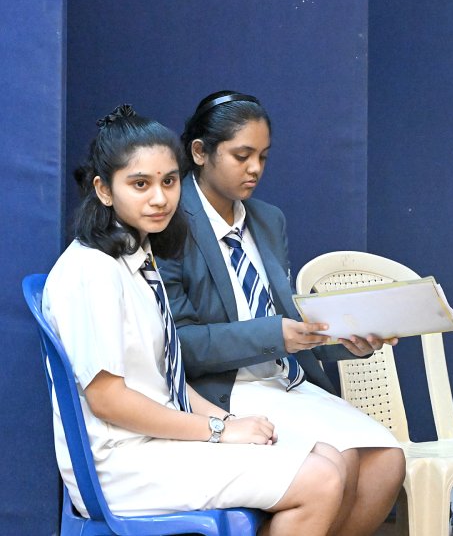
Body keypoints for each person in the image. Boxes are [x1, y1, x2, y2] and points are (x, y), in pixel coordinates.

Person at [43, 105, 345, 533]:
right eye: (140, 184)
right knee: (321, 479)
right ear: (104, 189)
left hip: (156, 443)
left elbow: (165, 377)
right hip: (121, 462)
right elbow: (108, 400)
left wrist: (228, 424)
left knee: (329, 457)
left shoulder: (136, 254)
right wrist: (217, 429)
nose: (160, 197)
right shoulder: (91, 270)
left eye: (169, 181)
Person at [160, 91, 404, 536]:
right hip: (224, 390)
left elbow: (293, 324)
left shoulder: (268, 220)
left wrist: (349, 340)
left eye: (263, 157)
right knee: (340, 462)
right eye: (241, 155)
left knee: (388, 462)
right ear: (199, 152)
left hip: (286, 380)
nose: (255, 169)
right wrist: (276, 334)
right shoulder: (170, 222)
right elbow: (180, 344)